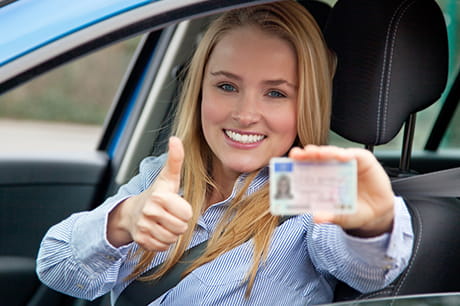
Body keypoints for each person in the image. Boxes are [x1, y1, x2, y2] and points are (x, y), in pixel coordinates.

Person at [36, 1, 414, 305]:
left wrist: (374, 225)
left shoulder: (308, 184)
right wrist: (124, 220)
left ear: (307, 105)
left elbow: (369, 268)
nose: (245, 114)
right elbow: (55, 266)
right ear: (200, 90)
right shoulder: (164, 177)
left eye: (276, 93)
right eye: (227, 86)